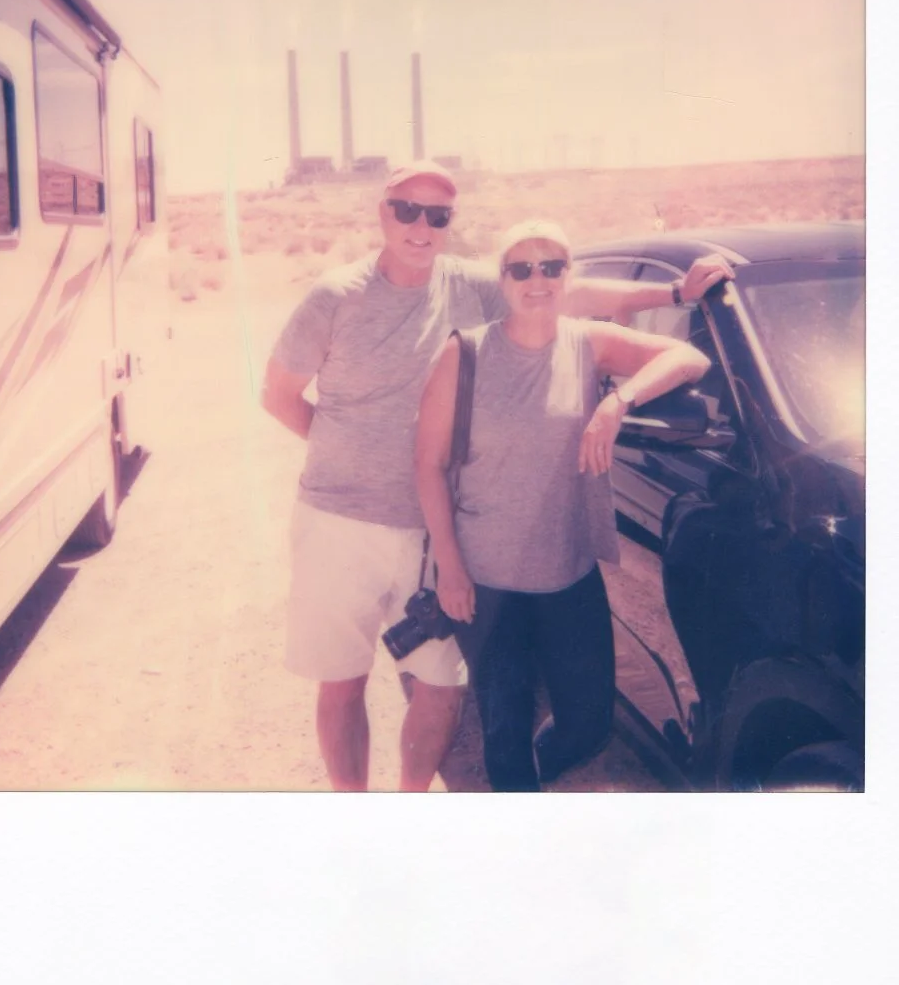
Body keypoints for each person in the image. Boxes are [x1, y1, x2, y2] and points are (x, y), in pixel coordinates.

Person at [262, 161, 732, 792]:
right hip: (340, 519)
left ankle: (410, 800)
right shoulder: (336, 294)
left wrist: (675, 296)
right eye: (406, 209)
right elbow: (279, 396)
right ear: (382, 212)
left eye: (437, 215)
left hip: (434, 529)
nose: (420, 226)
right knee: (344, 681)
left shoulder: (468, 285)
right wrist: (351, 456)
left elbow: (573, 293)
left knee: (441, 687)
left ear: (449, 225)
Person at [415, 219, 712, 791]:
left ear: (568, 276)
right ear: (502, 280)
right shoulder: (465, 354)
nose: (538, 279)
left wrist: (616, 402)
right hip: (487, 579)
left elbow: (685, 358)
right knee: (505, 726)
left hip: (567, 569)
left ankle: (537, 774)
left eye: (552, 266)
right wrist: (449, 566)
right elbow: (427, 465)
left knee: (588, 722)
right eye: (521, 268)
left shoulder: (587, 344)